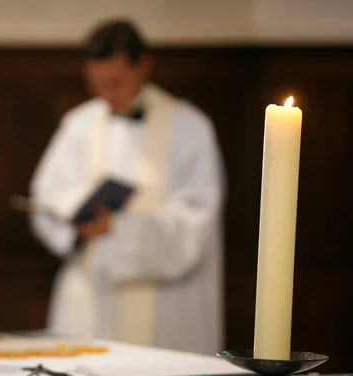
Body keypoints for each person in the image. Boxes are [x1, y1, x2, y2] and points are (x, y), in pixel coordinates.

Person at [29, 19, 225, 354]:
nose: (106, 94)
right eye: (98, 84)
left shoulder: (190, 127)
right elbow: (47, 195)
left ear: (144, 66)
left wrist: (122, 228)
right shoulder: (80, 123)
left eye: (116, 83)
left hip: (166, 304)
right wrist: (77, 217)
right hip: (90, 296)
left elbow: (197, 218)